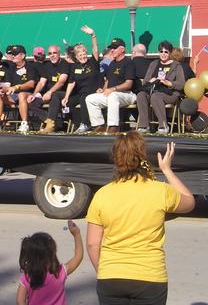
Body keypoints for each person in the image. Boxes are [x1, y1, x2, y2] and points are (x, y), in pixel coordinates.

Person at [86, 131, 195, 305]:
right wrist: (167, 170)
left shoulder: (102, 195)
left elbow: (92, 243)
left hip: (111, 275)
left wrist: (104, 270)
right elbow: (189, 203)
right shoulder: (160, 191)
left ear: (116, 158)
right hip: (150, 276)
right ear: (142, 156)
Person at [16, 220, 83, 305]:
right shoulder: (59, 272)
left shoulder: (28, 276)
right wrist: (76, 234)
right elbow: (78, 257)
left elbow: (20, 301)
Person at [86, 38, 136, 133]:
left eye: (115, 48)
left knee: (113, 96)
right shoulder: (112, 63)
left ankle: (113, 126)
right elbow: (107, 81)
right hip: (112, 94)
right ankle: (99, 126)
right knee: (90, 98)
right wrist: (103, 90)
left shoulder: (128, 62)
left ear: (122, 49)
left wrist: (113, 89)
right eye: (111, 48)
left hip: (126, 94)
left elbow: (129, 84)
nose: (112, 50)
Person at [136, 41, 185, 134]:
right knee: (141, 95)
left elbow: (181, 84)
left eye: (166, 52)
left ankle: (163, 126)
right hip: (154, 90)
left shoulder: (176, 66)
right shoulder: (154, 63)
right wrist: (151, 80)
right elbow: (145, 81)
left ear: (170, 53)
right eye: (161, 51)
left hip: (170, 93)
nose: (163, 54)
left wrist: (169, 83)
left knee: (156, 96)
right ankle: (144, 126)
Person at [61, 25, 101, 133]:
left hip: (94, 90)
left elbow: (95, 49)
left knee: (84, 99)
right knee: (68, 103)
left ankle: (86, 124)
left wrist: (93, 35)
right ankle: (77, 124)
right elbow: (71, 82)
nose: (83, 56)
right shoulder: (75, 67)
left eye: (84, 54)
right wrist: (66, 96)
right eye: (80, 55)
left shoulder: (92, 62)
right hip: (82, 92)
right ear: (76, 57)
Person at [0, 45, 36, 133]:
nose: (13, 56)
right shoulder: (11, 68)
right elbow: (8, 84)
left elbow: (31, 84)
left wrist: (17, 87)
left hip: (28, 94)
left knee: (21, 95)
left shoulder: (30, 66)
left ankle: (25, 124)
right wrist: (2, 89)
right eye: (12, 54)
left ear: (23, 55)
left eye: (16, 54)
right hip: (13, 95)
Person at [27, 45, 70, 133]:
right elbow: (42, 82)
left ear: (59, 54)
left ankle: (50, 125)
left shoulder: (65, 64)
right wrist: (34, 94)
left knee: (54, 95)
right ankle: (54, 122)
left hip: (64, 93)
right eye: (50, 53)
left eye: (55, 53)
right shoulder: (46, 66)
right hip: (49, 94)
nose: (52, 55)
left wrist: (49, 92)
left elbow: (61, 82)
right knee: (32, 102)